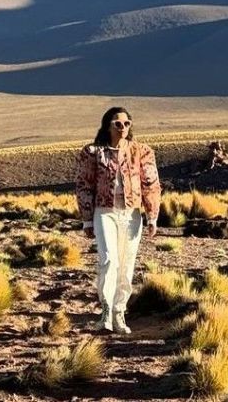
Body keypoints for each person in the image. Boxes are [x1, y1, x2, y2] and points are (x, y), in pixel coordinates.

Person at [74, 106, 161, 334]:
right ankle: (105, 312)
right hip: (105, 212)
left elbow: (150, 184)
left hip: (132, 213)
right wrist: (87, 220)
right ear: (108, 126)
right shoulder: (93, 153)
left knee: (127, 263)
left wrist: (152, 216)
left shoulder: (142, 152)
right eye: (117, 124)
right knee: (109, 260)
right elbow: (84, 185)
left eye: (126, 124)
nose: (122, 128)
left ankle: (119, 312)